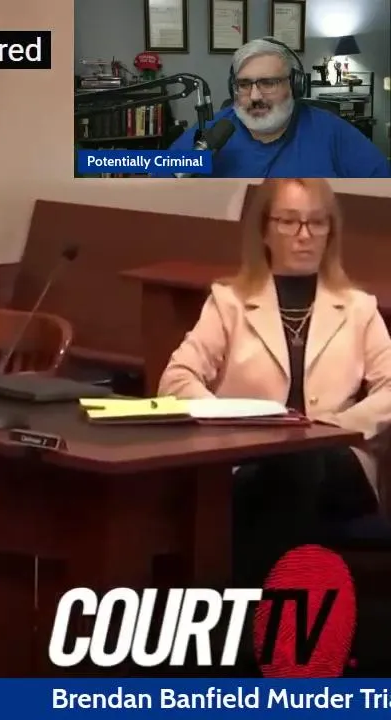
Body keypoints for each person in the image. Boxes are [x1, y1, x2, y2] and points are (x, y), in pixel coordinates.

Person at [158, 177, 391, 592]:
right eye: (289, 221)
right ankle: (281, 606)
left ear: (330, 232)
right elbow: (176, 380)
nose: (305, 235)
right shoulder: (228, 302)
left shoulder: (359, 308)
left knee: (299, 463)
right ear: (264, 230)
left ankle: (244, 603)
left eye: (317, 222)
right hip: (251, 458)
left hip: (340, 463)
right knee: (281, 478)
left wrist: (331, 429)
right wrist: (231, 422)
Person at [152, 37, 390, 178]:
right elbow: (158, 178)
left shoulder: (330, 131)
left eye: (268, 83)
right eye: (244, 84)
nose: (255, 96)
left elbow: (381, 187)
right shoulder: (215, 132)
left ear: (295, 85)